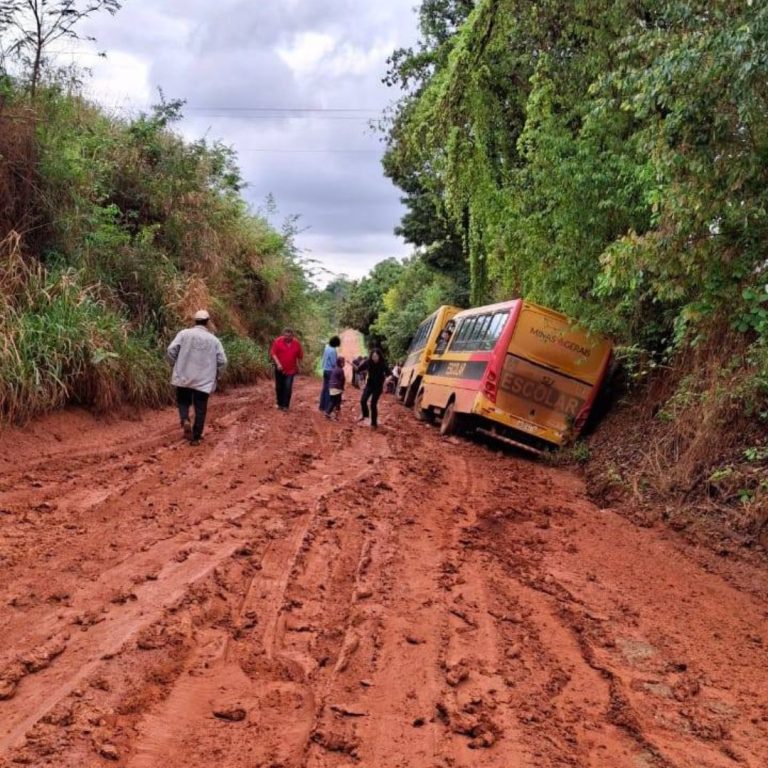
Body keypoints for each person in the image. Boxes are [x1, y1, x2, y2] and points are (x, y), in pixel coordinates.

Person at [166, 309, 227, 446]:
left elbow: (171, 350)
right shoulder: (214, 340)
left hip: (184, 376)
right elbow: (223, 361)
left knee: (183, 401)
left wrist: (175, 364)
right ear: (208, 322)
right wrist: (218, 374)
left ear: (195, 321)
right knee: (200, 408)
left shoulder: (184, 334)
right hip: (204, 380)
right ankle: (196, 437)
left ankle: (184, 419)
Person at [270, 327, 304, 410]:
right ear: (283, 335)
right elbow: (273, 353)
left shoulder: (296, 343)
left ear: (292, 336)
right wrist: (278, 364)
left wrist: (299, 365)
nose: (287, 338)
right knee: (279, 386)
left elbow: (300, 356)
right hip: (279, 369)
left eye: (289, 336)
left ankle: (286, 405)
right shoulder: (278, 341)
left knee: (288, 387)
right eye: (286, 336)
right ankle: (279, 404)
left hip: (291, 370)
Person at [356, 348, 388, 429]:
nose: (374, 358)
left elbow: (390, 374)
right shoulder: (368, 362)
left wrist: (386, 382)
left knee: (373, 404)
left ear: (379, 356)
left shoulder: (382, 364)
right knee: (363, 400)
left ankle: (374, 423)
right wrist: (355, 367)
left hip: (378, 386)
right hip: (369, 385)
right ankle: (365, 415)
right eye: (373, 356)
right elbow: (359, 369)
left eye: (376, 356)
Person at [319, 335, 341, 411]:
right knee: (330, 389)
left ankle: (322, 406)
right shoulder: (333, 351)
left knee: (324, 388)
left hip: (325, 370)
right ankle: (327, 407)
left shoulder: (327, 347)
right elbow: (333, 363)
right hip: (330, 371)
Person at [325, 356, 346, 420]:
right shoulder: (341, 370)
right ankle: (333, 415)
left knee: (332, 401)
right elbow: (342, 380)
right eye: (343, 362)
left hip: (331, 387)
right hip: (337, 388)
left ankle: (329, 412)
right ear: (341, 363)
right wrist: (342, 388)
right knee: (337, 402)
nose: (344, 364)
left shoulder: (334, 369)